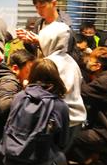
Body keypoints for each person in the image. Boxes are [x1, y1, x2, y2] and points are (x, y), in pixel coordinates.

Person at [2, 59, 71, 165]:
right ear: (56, 78)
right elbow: (62, 142)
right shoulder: (59, 105)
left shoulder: (18, 98)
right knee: (61, 160)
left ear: (32, 76)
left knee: (22, 152)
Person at [37, 21, 87, 155]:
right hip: (76, 118)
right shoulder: (71, 61)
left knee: (50, 158)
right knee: (61, 156)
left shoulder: (49, 63)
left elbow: (42, 94)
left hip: (59, 121)